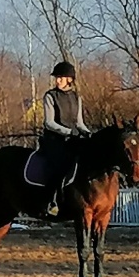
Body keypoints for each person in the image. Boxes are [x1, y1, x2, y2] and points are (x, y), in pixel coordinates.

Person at [37, 60, 91, 218]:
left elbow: (80, 123)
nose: (57, 80)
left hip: (72, 140)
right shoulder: (50, 96)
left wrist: (88, 134)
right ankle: (51, 202)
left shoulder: (76, 98)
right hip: (54, 140)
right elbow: (49, 123)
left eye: (60, 77)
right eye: (57, 78)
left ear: (70, 79)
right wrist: (68, 132)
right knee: (60, 166)